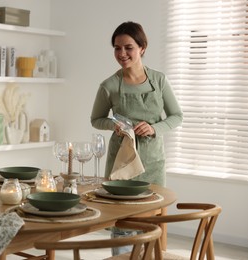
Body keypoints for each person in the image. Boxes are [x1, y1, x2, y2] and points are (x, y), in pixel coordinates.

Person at [90, 21, 183, 255]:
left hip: (153, 162)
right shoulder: (109, 85)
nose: (122, 53)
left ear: (142, 48)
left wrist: (154, 129)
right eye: (117, 48)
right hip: (122, 163)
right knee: (124, 221)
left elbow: (176, 116)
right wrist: (114, 125)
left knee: (151, 220)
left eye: (128, 47)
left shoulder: (159, 81)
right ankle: (121, 258)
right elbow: (96, 119)